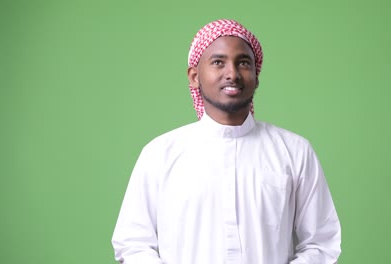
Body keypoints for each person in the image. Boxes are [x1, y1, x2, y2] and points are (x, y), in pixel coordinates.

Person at [112, 19, 341, 264]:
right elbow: (133, 243)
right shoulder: (160, 154)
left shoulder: (294, 152)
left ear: (256, 75)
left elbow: (321, 242)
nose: (232, 74)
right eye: (218, 62)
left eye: (243, 63)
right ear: (194, 77)